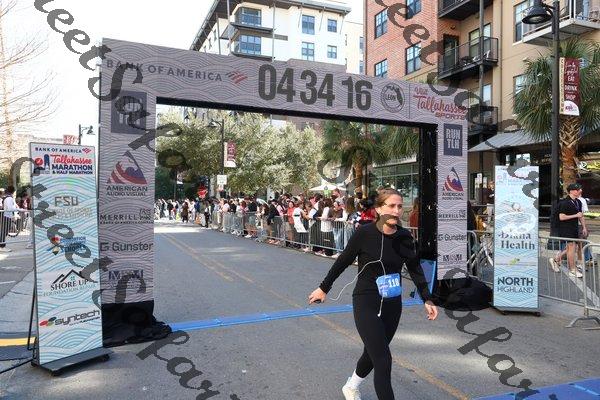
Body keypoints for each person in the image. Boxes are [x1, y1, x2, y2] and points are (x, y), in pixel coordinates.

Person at [308, 189, 438, 400]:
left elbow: (415, 269)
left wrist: (427, 298)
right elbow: (343, 261)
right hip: (366, 300)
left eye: (399, 206)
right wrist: (324, 288)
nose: (396, 211)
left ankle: (351, 386)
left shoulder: (404, 237)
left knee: (374, 352)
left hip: (392, 303)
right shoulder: (364, 233)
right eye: (391, 206)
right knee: (383, 359)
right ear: (378, 209)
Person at [549, 183, 587, 278]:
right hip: (564, 228)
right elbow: (561, 217)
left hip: (574, 227)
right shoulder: (564, 203)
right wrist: (576, 215)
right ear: (571, 191)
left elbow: (581, 215)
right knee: (571, 247)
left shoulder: (578, 202)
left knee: (571, 248)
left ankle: (555, 259)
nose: (580, 190)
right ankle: (572, 270)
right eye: (578, 189)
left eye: (580, 189)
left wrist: (584, 227)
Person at [0, 186, 18, 253]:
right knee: (4, 232)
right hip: (6, 216)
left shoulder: (7, 197)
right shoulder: (9, 198)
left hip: (6, 216)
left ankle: (2, 246)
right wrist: (18, 209)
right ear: (13, 191)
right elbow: (10, 208)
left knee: (4, 232)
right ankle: (2, 246)